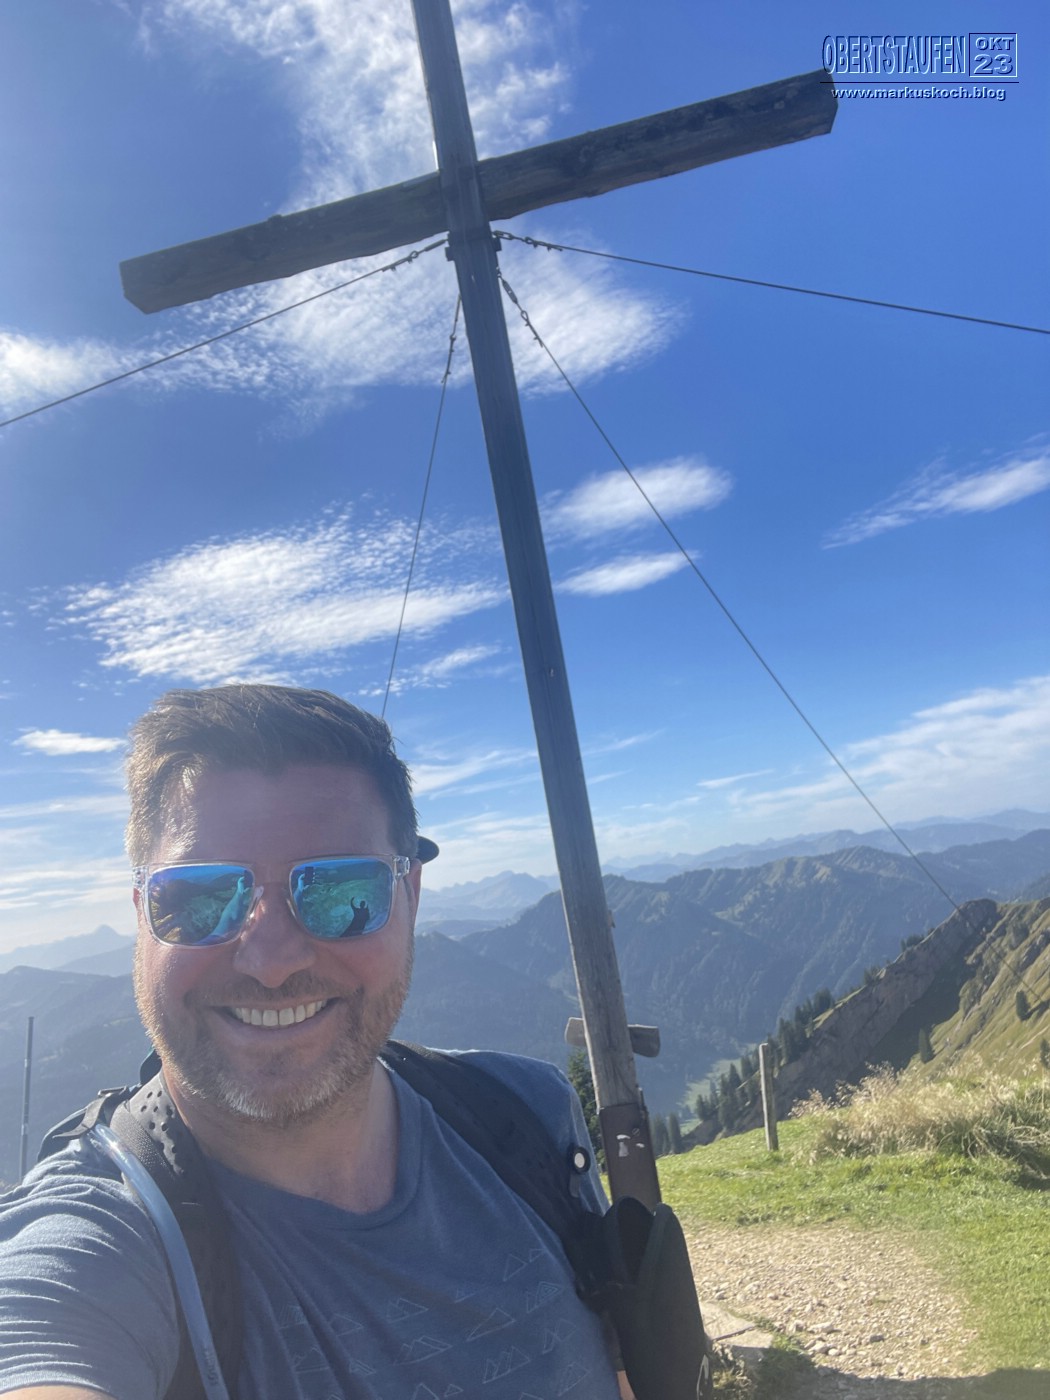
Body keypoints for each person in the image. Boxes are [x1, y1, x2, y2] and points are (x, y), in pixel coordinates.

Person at [0, 684, 627, 1400]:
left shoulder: (529, 1115)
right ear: (143, 912)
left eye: (337, 889)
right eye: (200, 897)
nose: (271, 961)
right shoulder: (97, 1240)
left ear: (410, 895)